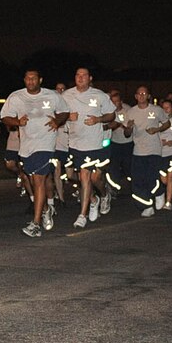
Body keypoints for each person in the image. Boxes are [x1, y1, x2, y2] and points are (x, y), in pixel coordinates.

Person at [1, 69, 68, 237]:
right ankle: (46, 209)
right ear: (24, 80)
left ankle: (36, 224)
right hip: (26, 145)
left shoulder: (51, 96)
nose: (30, 81)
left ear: (40, 80)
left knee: (38, 181)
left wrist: (57, 121)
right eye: (28, 78)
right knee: (33, 181)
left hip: (45, 143)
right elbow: (4, 117)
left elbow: (64, 112)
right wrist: (17, 121)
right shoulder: (16, 97)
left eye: (34, 78)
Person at [62, 67, 115, 228]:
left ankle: (83, 213)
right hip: (74, 143)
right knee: (72, 175)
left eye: (84, 75)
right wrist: (67, 116)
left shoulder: (99, 95)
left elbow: (111, 114)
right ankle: (94, 199)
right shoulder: (66, 95)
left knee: (89, 178)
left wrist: (99, 119)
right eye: (77, 74)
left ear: (90, 78)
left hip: (94, 143)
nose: (80, 77)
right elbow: (57, 114)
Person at [123, 86, 170, 216]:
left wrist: (157, 129)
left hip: (154, 149)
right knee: (137, 181)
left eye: (144, 93)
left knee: (151, 178)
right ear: (136, 96)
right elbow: (127, 133)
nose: (142, 95)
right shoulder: (131, 112)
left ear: (149, 96)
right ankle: (146, 205)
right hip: (138, 151)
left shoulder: (157, 110)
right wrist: (129, 127)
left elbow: (167, 123)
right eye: (139, 94)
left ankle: (159, 191)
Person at [106, 89, 132, 197]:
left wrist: (126, 127)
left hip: (127, 143)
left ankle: (133, 188)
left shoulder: (128, 111)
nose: (115, 104)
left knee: (128, 167)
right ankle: (114, 189)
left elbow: (128, 132)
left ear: (121, 101)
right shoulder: (109, 113)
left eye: (117, 101)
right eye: (113, 102)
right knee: (113, 167)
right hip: (114, 143)